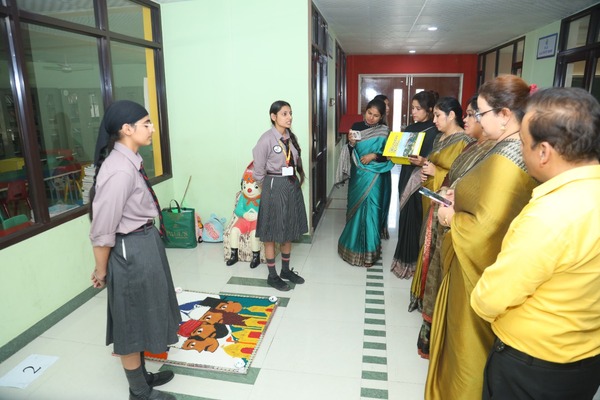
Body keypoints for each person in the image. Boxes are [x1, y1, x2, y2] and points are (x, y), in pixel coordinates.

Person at [471, 87, 600, 400]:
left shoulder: (551, 215)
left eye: (524, 143)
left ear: (543, 152)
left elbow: (490, 298)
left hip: (530, 365)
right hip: (586, 361)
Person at [424, 75, 538, 400]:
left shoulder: (508, 158)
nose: (476, 119)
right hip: (466, 264)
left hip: (477, 269)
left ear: (504, 114)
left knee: (466, 350)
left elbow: (489, 227)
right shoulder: (499, 147)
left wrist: (451, 217)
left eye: (482, 113)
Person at [89, 100, 181, 400]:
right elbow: (102, 232)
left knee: (145, 310)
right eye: (146, 124)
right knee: (131, 321)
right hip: (130, 250)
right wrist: (101, 271)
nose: (152, 129)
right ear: (126, 130)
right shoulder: (119, 172)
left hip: (144, 242)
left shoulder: (130, 160)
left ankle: (143, 376)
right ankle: (139, 392)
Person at [416, 95, 495, 358]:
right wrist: (445, 184)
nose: (469, 119)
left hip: (457, 222)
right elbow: (453, 175)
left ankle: (438, 330)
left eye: (474, 114)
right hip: (442, 206)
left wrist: (441, 180)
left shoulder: (474, 145)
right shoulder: (471, 146)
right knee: (430, 260)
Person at [408, 96, 471, 312]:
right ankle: (421, 292)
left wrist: (437, 172)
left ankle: (431, 300)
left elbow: (463, 177)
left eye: (437, 115)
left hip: (446, 203)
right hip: (431, 197)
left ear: (452, 115)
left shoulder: (464, 142)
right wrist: (426, 166)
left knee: (435, 249)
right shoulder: (441, 137)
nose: (434, 120)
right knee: (425, 243)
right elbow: (434, 162)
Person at [252, 100, 308, 291]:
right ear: (273, 117)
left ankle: (285, 270)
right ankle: (272, 275)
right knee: (271, 233)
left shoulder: (289, 138)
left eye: (290, 113)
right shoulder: (266, 139)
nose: (289, 117)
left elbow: (294, 161)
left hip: (290, 186)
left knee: (288, 229)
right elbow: (258, 171)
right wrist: (269, 188)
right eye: (284, 113)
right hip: (274, 186)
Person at [336, 98, 394, 267]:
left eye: (376, 116)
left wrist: (374, 155)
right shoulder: (356, 126)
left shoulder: (384, 131)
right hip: (358, 175)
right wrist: (351, 143)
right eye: (369, 113)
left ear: (381, 117)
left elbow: (388, 153)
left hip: (375, 176)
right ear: (365, 111)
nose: (371, 118)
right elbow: (351, 151)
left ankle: (369, 252)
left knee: (372, 211)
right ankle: (350, 247)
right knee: (355, 210)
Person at [390, 90, 439, 279]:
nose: (414, 112)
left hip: (422, 179)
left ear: (430, 109)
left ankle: (415, 264)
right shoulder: (410, 128)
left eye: (418, 108)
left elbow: (437, 159)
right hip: (406, 175)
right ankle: (402, 259)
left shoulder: (435, 131)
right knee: (404, 216)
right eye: (412, 108)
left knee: (417, 218)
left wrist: (423, 161)